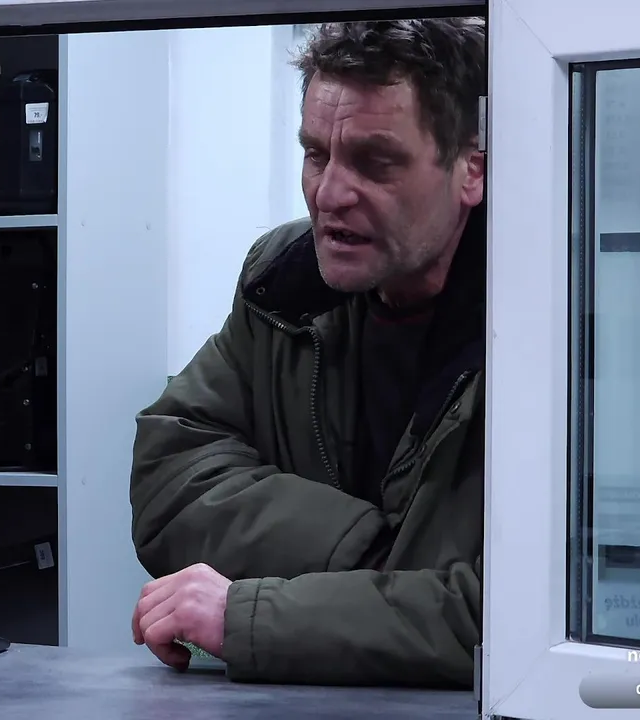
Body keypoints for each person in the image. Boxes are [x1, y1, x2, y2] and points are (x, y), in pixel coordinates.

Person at [128, 19, 487, 687]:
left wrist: (252, 617)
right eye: (317, 154)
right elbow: (170, 471)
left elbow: (498, 615)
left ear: (472, 169)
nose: (329, 194)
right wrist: (364, 556)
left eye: (375, 162)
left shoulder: (543, 327)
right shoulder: (283, 283)